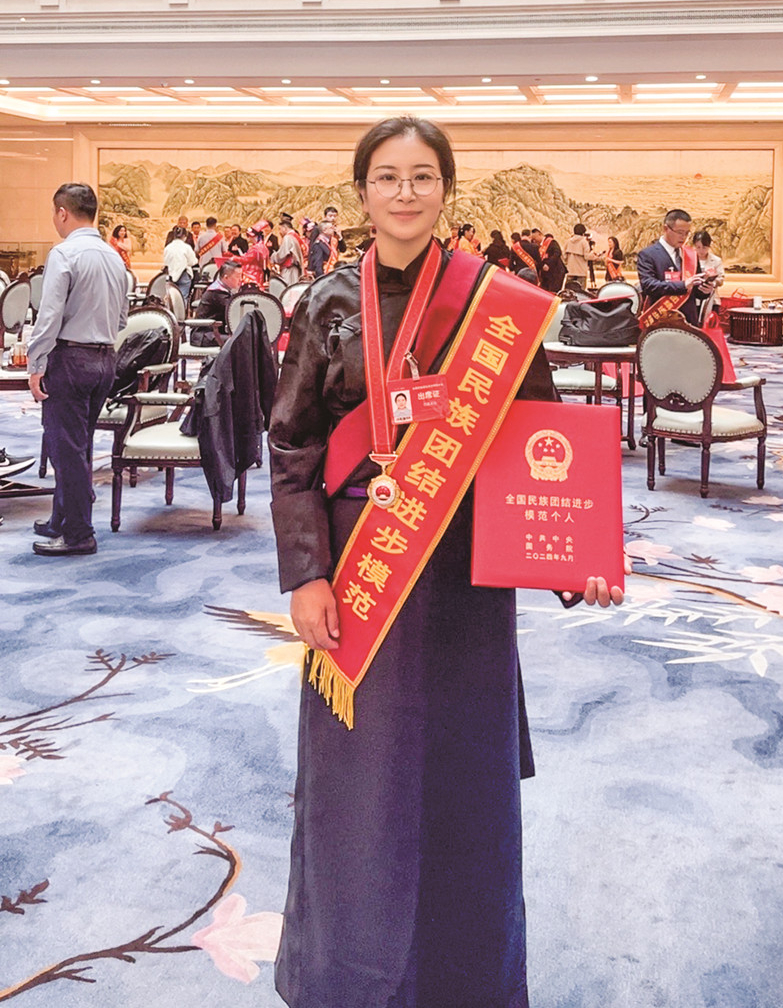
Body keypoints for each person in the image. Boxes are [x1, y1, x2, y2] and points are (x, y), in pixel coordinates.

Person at [268, 115, 622, 1008]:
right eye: (387, 177)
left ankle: (469, 982)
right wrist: (306, 573)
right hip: (359, 571)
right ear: (362, 192)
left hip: (466, 571)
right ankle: (347, 977)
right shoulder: (325, 303)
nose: (405, 192)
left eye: (422, 176)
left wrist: (571, 560)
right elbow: (293, 445)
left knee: (464, 787)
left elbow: (538, 443)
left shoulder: (495, 304)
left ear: (446, 190)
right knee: (358, 792)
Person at [27, 183, 128, 558]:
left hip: (70, 359)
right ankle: (62, 519)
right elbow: (121, 319)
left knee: (65, 448)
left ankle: (79, 533)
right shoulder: (114, 258)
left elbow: (49, 316)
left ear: (62, 212)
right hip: (104, 361)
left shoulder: (64, 253)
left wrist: (36, 363)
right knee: (77, 444)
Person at [637, 209, 714, 325]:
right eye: (680, 232)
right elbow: (648, 285)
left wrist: (705, 290)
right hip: (661, 320)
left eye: (687, 233)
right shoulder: (648, 254)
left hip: (689, 321)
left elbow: (695, 291)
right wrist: (683, 285)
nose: (683, 237)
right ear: (666, 229)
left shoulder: (691, 254)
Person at [194, 260, 242, 344]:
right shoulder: (216, 293)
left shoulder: (224, 291)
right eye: (238, 276)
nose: (240, 280)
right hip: (204, 335)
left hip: (215, 332)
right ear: (226, 277)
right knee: (240, 341)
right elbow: (234, 311)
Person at [162, 224, 198, 304]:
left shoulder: (168, 247)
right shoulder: (186, 247)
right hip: (184, 275)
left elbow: (166, 262)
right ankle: (181, 311)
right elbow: (193, 261)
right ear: (185, 236)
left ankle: (171, 311)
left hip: (171, 274)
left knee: (171, 298)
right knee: (183, 298)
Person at [692, 230, 725, 314]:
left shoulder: (716, 260)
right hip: (693, 299)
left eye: (704, 247)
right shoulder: (689, 260)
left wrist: (712, 283)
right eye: (698, 247)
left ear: (709, 246)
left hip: (712, 299)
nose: (701, 251)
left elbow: (721, 279)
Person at [271, 213, 305, 286]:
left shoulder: (288, 238)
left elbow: (282, 255)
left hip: (289, 268)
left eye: (280, 229)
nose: (279, 232)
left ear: (284, 228)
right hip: (296, 268)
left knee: (287, 288)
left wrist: (273, 257)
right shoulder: (296, 236)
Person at [564, 223, 593, 289]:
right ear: (583, 232)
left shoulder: (568, 242)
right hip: (581, 272)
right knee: (580, 291)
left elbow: (564, 256)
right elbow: (587, 256)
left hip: (570, 271)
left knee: (569, 291)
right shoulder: (584, 242)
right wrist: (594, 255)